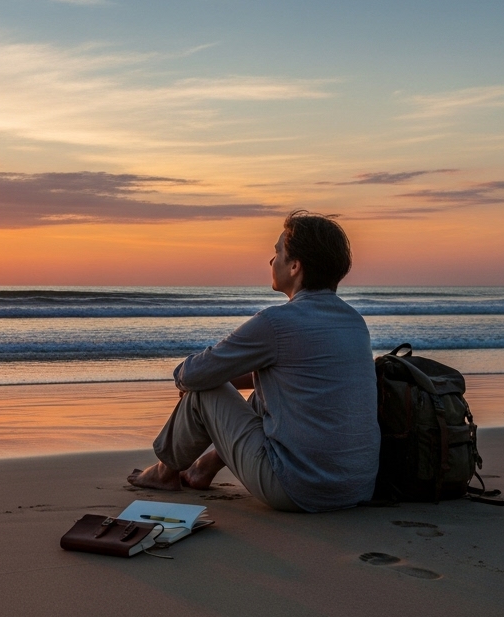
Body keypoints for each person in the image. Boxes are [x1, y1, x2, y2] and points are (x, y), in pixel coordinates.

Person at [127, 210, 379, 512]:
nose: (272, 261)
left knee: (205, 391)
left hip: (297, 489)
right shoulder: (354, 321)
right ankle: (204, 467)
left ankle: (164, 472)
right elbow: (295, 377)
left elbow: (190, 375)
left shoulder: (276, 323)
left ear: (295, 266)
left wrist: (204, 380)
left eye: (278, 253)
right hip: (356, 485)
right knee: (268, 383)